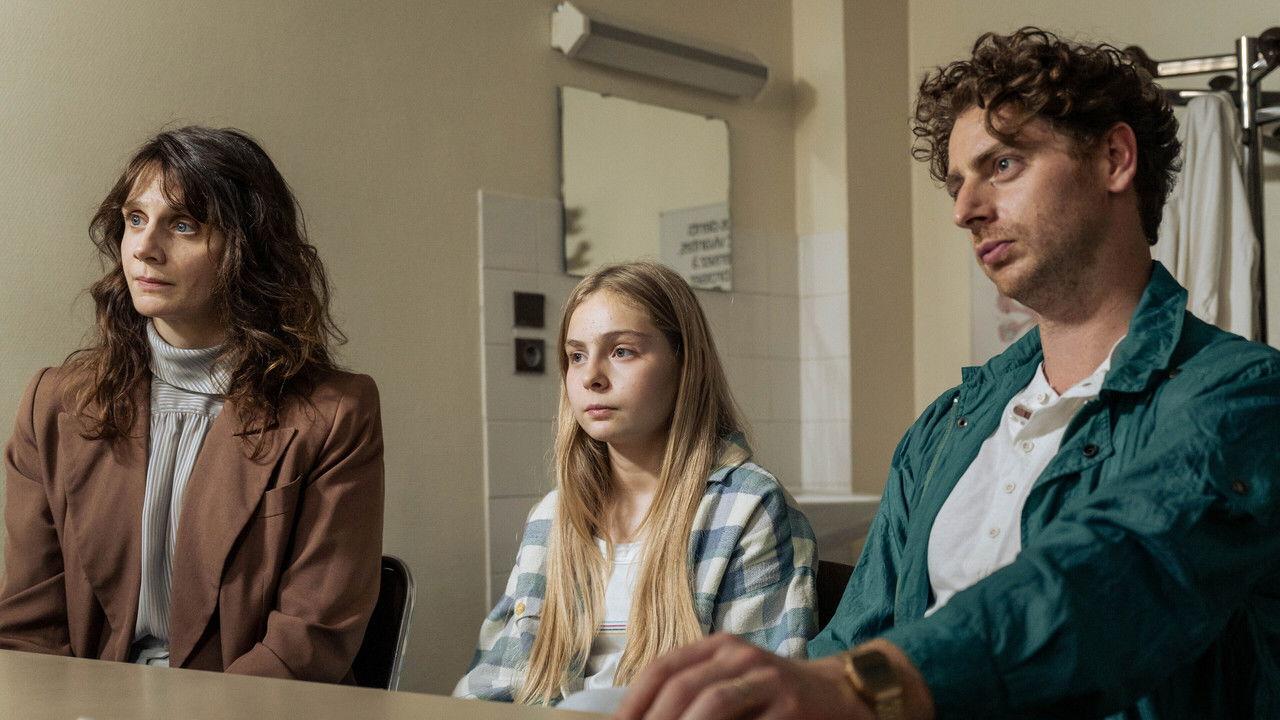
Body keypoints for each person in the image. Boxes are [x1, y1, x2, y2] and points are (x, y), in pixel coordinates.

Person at [617, 28, 1280, 720]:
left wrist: (863, 686)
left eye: (1003, 165)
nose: (965, 211)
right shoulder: (945, 429)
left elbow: (1113, 576)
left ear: (1114, 159)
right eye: (958, 184)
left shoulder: (1242, 395)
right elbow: (855, 637)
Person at [0, 126, 385, 683]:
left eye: (183, 225)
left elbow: (309, 641)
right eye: (135, 219)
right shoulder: (53, 404)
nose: (145, 248)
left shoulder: (334, 413)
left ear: (248, 249)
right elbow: (29, 629)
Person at [454, 261, 817, 705]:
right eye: (576, 356)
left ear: (684, 364)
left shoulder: (747, 510)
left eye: (622, 351)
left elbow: (758, 700)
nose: (591, 376)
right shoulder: (553, 516)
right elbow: (491, 685)